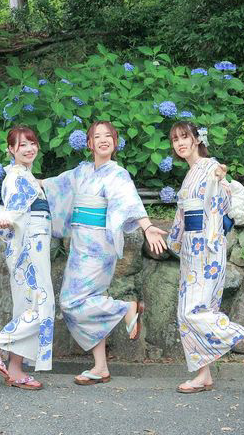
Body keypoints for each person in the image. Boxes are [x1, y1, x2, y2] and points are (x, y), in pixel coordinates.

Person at [42, 121, 167, 385]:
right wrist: (24, 178)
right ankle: (100, 366)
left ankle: (124, 307)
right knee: (90, 302)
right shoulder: (82, 171)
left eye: (107, 136)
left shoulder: (117, 174)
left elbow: (129, 203)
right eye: (96, 136)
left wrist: (147, 227)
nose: (102, 140)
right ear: (89, 144)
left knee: (71, 301)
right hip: (79, 245)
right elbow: (55, 186)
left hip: (98, 247)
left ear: (115, 142)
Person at [167, 121, 244, 394]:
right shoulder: (191, 172)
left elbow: (221, 186)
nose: (180, 143)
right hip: (192, 249)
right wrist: (173, 241)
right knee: (187, 313)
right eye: (175, 139)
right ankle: (203, 374)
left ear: (196, 139)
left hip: (206, 247)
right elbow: (183, 215)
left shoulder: (208, 165)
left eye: (185, 137)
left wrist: (220, 175)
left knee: (193, 311)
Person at [0, 127, 53, 390]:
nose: (29, 149)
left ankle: (16, 369)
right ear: (11, 150)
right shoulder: (17, 178)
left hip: (31, 243)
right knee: (42, 306)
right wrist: (5, 218)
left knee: (26, 307)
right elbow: (14, 213)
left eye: (32, 143)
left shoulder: (26, 177)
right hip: (30, 244)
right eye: (22, 146)